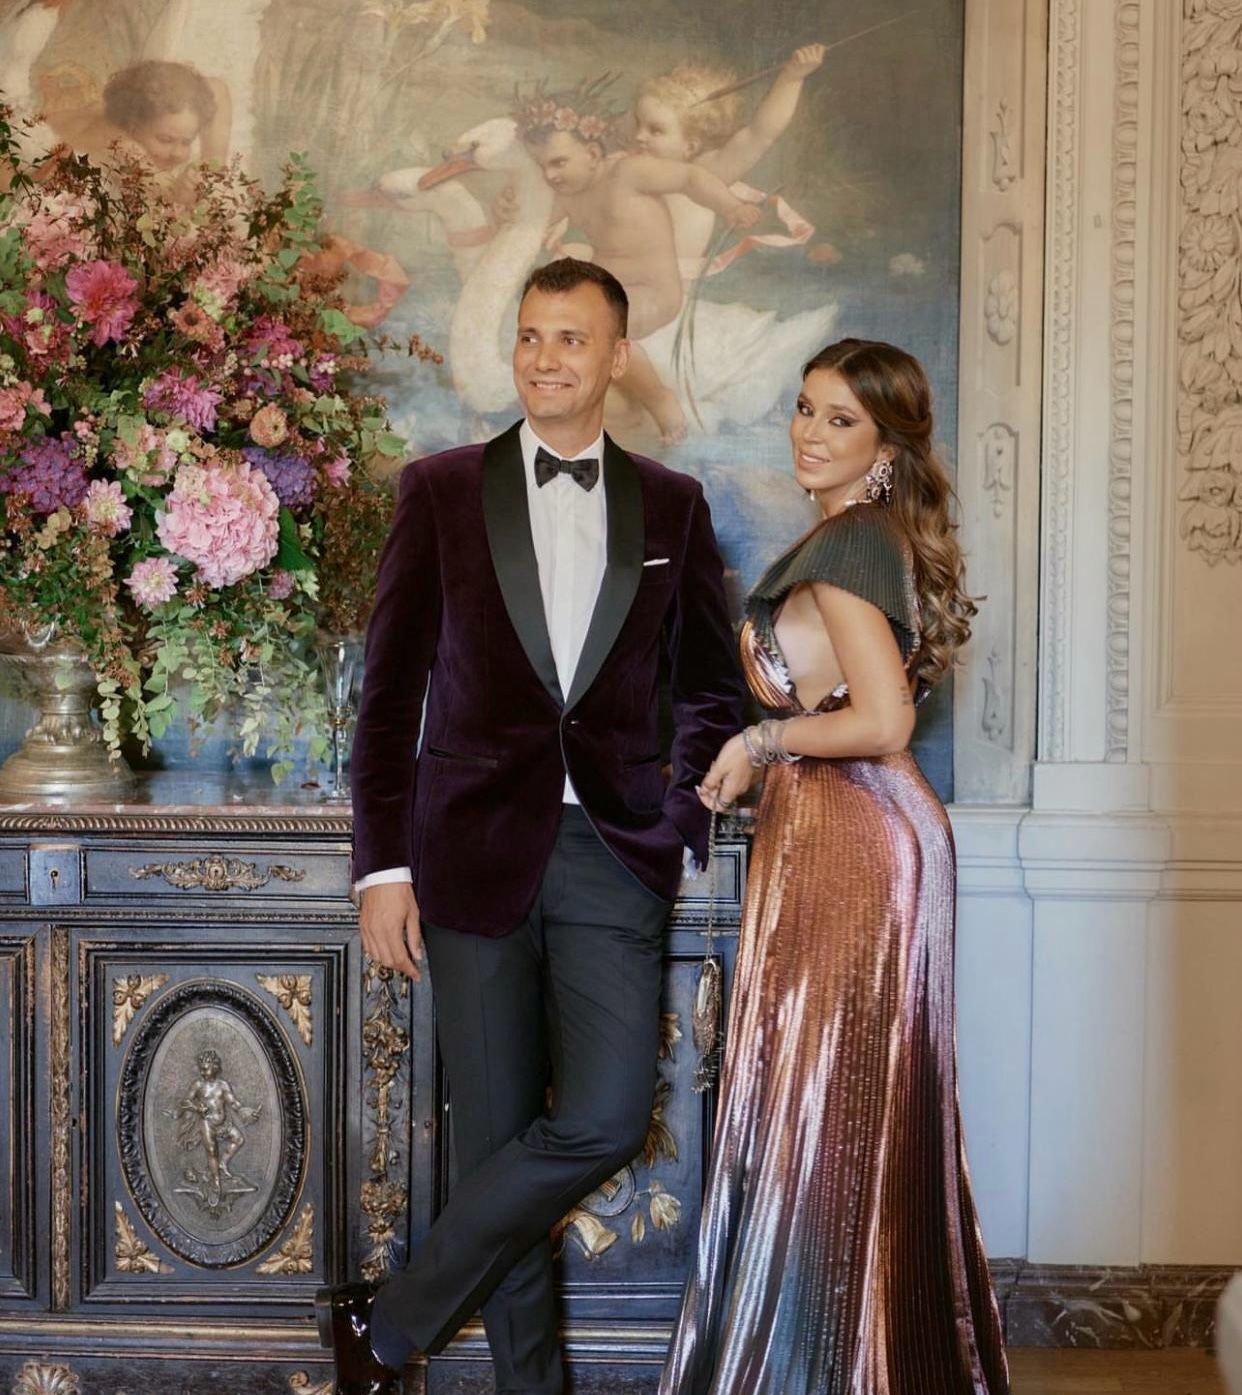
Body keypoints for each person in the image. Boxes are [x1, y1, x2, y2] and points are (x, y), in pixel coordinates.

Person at [315, 257, 744, 1395]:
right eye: (531, 336)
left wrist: (677, 809)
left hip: (613, 853)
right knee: (498, 1138)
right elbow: (388, 696)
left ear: (617, 356)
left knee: (604, 1116)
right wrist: (381, 868)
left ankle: (388, 1324)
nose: (546, 359)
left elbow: (709, 687)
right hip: (467, 855)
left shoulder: (675, 504)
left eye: (571, 338)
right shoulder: (440, 490)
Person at [660, 339, 1011, 1394]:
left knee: (831, 1103)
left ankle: (823, 1367)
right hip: (847, 829)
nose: (810, 432)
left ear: (886, 449)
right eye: (805, 408)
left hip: (858, 835)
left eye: (840, 419)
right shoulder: (852, 535)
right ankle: (852, 1360)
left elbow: (883, 719)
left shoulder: (854, 541)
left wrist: (759, 740)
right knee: (841, 1101)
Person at [515, 85, 760, 444]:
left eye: (558, 163)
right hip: (604, 293)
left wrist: (730, 206)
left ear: (593, 153)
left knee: (603, 331)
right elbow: (530, 224)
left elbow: (689, 178)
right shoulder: (568, 194)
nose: (550, 175)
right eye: (543, 167)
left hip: (653, 292)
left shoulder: (627, 172)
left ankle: (659, 399)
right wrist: (507, 211)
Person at [632, 44, 825, 280]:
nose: (639, 136)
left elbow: (760, 134)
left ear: (690, 146)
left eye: (655, 130)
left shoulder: (704, 172)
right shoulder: (628, 167)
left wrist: (791, 78)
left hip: (671, 286)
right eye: (638, 124)